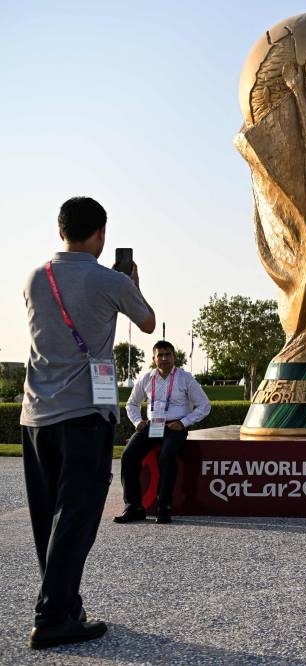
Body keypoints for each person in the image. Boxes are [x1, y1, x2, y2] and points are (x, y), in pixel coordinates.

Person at [21, 196, 156, 649]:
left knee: (49, 518)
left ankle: (65, 601)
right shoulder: (107, 280)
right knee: (77, 517)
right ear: (101, 234)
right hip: (84, 414)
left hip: (36, 414)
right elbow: (148, 322)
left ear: (61, 231)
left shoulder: (35, 278)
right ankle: (54, 616)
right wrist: (131, 282)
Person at [115, 340, 210, 525]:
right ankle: (134, 507)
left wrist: (183, 423)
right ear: (153, 358)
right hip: (152, 425)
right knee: (128, 456)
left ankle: (164, 506)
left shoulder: (185, 378)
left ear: (174, 357)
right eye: (160, 355)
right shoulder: (146, 378)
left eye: (168, 355)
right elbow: (131, 404)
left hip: (175, 426)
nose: (164, 358)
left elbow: (205, 405)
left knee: (166, 457)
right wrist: (137, 421)